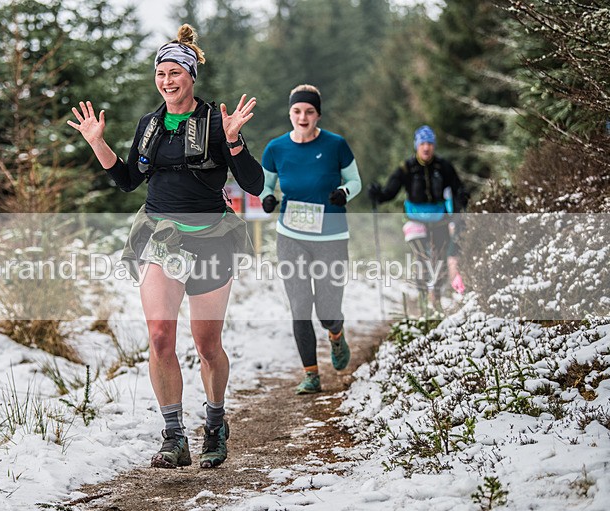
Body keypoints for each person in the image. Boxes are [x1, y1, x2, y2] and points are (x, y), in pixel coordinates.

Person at [67, 24, 263, 469]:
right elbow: (127, 181)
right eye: (161, 73)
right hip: (159, 238)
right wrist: (98, 144)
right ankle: (173, 435)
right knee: (159, 338)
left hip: (212, 238)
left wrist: (234, 140)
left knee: (207, 344)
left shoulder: (216, 120)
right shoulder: (150, 125)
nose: (167, 81)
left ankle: (215, 422)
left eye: (176, 72)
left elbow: (254, 183)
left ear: (192, 76)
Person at [259, 84, 362, 395]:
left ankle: (336, 333)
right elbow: (265, 186)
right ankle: (311, 374)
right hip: (291, 235)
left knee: (327, 309)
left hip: (331, 235)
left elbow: (355, 180)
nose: (302, 117)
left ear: (318, 115)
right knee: (300, 306)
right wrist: (266, 198)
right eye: (297, 111)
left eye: (309, 111)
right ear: (290, 113)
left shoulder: (336, 145)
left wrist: (343, 193)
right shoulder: (276, 148)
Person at [368, 125, 468, 310]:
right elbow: (390, 192)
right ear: (417, 146)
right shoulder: (406, 168)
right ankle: (423, 300)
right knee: (422, 259)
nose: (426, 147)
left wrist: (461, 199)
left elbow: (457, 188)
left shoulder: (443, 167)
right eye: (423, 143)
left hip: (439, 219)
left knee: (440, 260)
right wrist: (378, 195)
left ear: (434, 146)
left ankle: (435, 298)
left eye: (430, 143)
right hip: (415, 220)